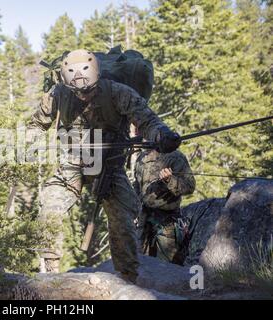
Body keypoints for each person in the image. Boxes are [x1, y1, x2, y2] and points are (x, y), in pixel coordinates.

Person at [28, 49, 181, 283]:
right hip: (72, 166)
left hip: (109, 165)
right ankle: (51, 277)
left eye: (87, 90)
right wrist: (29, 143)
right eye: (77, 92)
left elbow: (148, 121)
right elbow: (37, 124)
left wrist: (163, 135)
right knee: (49, 210)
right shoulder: (57, 94)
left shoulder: (118, 92)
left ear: (97, 78)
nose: (83, 96)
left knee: (122, 220)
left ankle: (127, 280)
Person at [133, 147, 195, 265]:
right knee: (141, 265)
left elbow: (189, 186)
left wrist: (170, 180)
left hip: (167, 224)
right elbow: (137, 186)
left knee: (169, 266)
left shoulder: (175, 157)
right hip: (144, 221)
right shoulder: (142, 157)